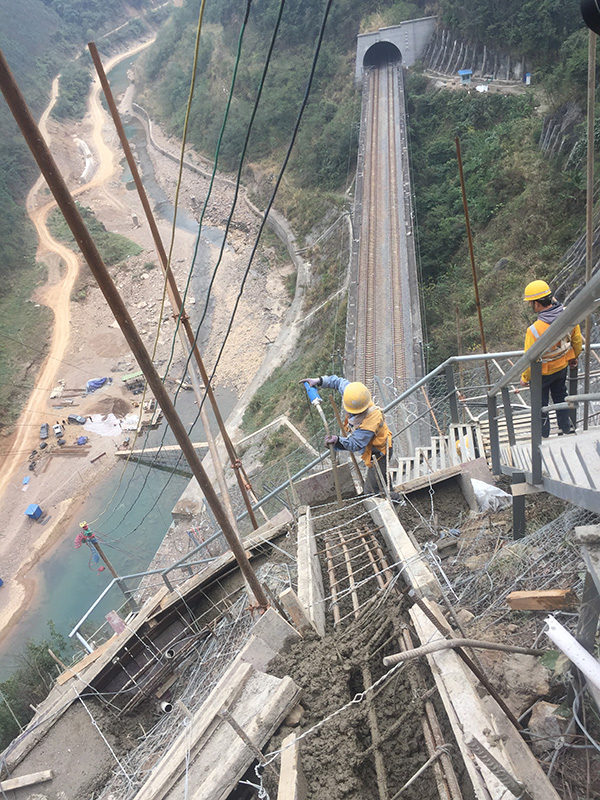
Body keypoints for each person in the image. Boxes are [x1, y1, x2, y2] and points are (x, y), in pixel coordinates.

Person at [303, 375, 399, 499]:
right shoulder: (354, 395)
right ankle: (389, 495)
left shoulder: (371, 420)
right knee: (381, 479)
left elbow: (355, 443)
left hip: (380, 452)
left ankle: (397, 501)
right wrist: (319, 380)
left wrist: (338, 440)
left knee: (372, 490)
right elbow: (338, 382)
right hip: (374, 449)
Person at [519, 280, 582, 437]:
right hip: (561, 367)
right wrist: (574, 357)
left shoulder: (534, 330)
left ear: (537, 304)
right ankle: (565, 428)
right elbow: (577, 340)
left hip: (542, 374)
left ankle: (543, 434)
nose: (530, 306)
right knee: (561, 396)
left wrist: (525, 377)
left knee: (540, 404)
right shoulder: (568, 316)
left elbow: (529, 358)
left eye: (530, 303)